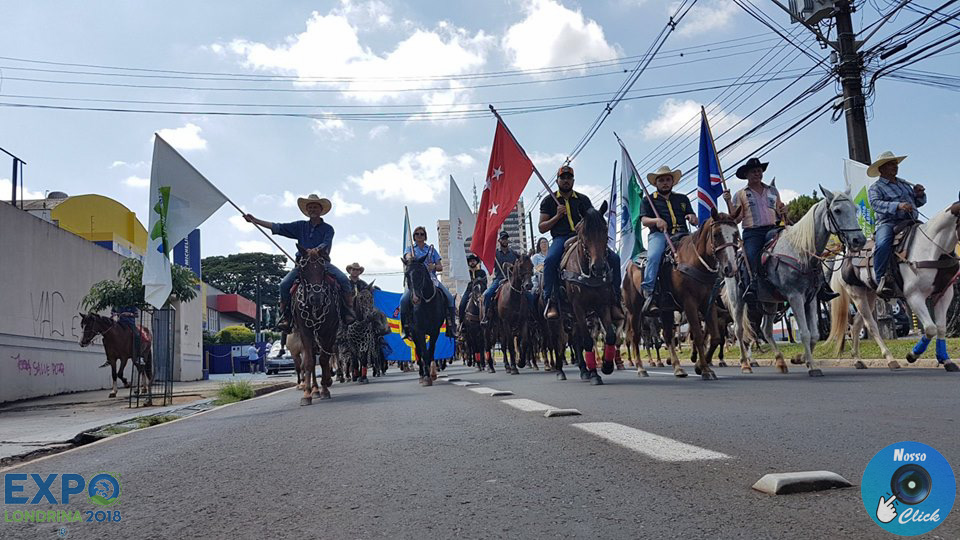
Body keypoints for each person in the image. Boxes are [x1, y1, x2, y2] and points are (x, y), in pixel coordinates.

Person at [244, 194, 357, 330]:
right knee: (284, 284)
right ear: (307, 210)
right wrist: (255, 220)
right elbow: (278, 227)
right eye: (310, 207)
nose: (312, 209)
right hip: (302, 264)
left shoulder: (328, 229)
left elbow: (325, 243)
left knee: (343, 279)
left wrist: (314, 250)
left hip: (322, 263)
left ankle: (348, 312)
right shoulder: (300, 226)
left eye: (315, 207)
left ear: (320, 210)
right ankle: (286, 316)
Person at [539, 165, 623, 320]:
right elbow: (542, 227)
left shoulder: (583, 199)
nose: (566, 180)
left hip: (585, 237)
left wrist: (583, 224)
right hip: (561, 238)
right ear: (557, 180)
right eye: (562, 178)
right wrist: (557, 217)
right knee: (550, 261)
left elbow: (594, 219)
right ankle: (551, 300)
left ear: (573, 180)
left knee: (614, 259)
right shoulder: (548, 201)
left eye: (569, 178)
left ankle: (615, 300)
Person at [723, 158, 786, 302]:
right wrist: (728, 202)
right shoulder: (740, 194)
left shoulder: (772, 190)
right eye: (753, 172)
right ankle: (753, 283)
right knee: (751, 255)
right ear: (747, 175)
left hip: (774, 229)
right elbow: (736, 218)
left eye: (759, 171)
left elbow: (779, 210)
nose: (757, 174)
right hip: (753, 232)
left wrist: (783, 210)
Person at [638, 165, 697, 314]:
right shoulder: (648, 200)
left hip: (683, 234)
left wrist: (692, 217)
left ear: (672, 182)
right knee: (654, 256)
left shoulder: (682, 199)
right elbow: (644, 220)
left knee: (703, 252)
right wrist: (656, 221)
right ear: (656, 183)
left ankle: (714, 291)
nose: (665, 183)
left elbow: (692, 214)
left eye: (668, 180)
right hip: (660, 235)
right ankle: (649, 292)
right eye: (661, 180)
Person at [866, 151, 925, 294]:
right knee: (883, 243)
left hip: (911, 221)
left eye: (895, 164)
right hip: (888, 223)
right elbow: (875, 204)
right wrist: (897, 205)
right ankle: (881, 279)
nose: (895, 167)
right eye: (891, 164)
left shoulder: (904, 184)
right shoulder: (876, 187)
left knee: (931, 234)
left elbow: (917, 203)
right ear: (881, 169)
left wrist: (920, 194)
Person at [402, 225, 456, 337]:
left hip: (432, 279)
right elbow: (406, 256)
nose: (419, 236)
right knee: (403, 300)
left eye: (422, 234)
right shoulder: (410, 249)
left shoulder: (431, 250)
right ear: (414, 236)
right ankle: (405, 327)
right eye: (417, 234)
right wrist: (410, 258)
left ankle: (451, 326)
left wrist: (434, 267)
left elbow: (440, 266)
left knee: (450, 298)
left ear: (425, 236)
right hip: (416, 281)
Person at [480, 231, 519, 326]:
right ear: (499, 240)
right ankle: (486, 316)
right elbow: (489, 265)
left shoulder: (514, 253)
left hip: (512, 279)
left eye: (506, 239)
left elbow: (520, 263)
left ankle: (532, 316)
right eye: (503, 239)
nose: (505, 241)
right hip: (499, 279)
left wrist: (513, 266)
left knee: (528, 294)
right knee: (488, 294)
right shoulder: (495, 254)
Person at [458, 253, 488, 327]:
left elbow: (485, 282)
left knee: (489, 303)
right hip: (469, 291)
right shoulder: (466, 273)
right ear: (468, 263)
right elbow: (464, 283)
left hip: (481, 292)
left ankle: (490, 321)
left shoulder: (482, 272)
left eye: (474, 261)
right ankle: (461, 324)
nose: (472, 262)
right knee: (462, 304)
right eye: (471, 261)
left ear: (476, 262)